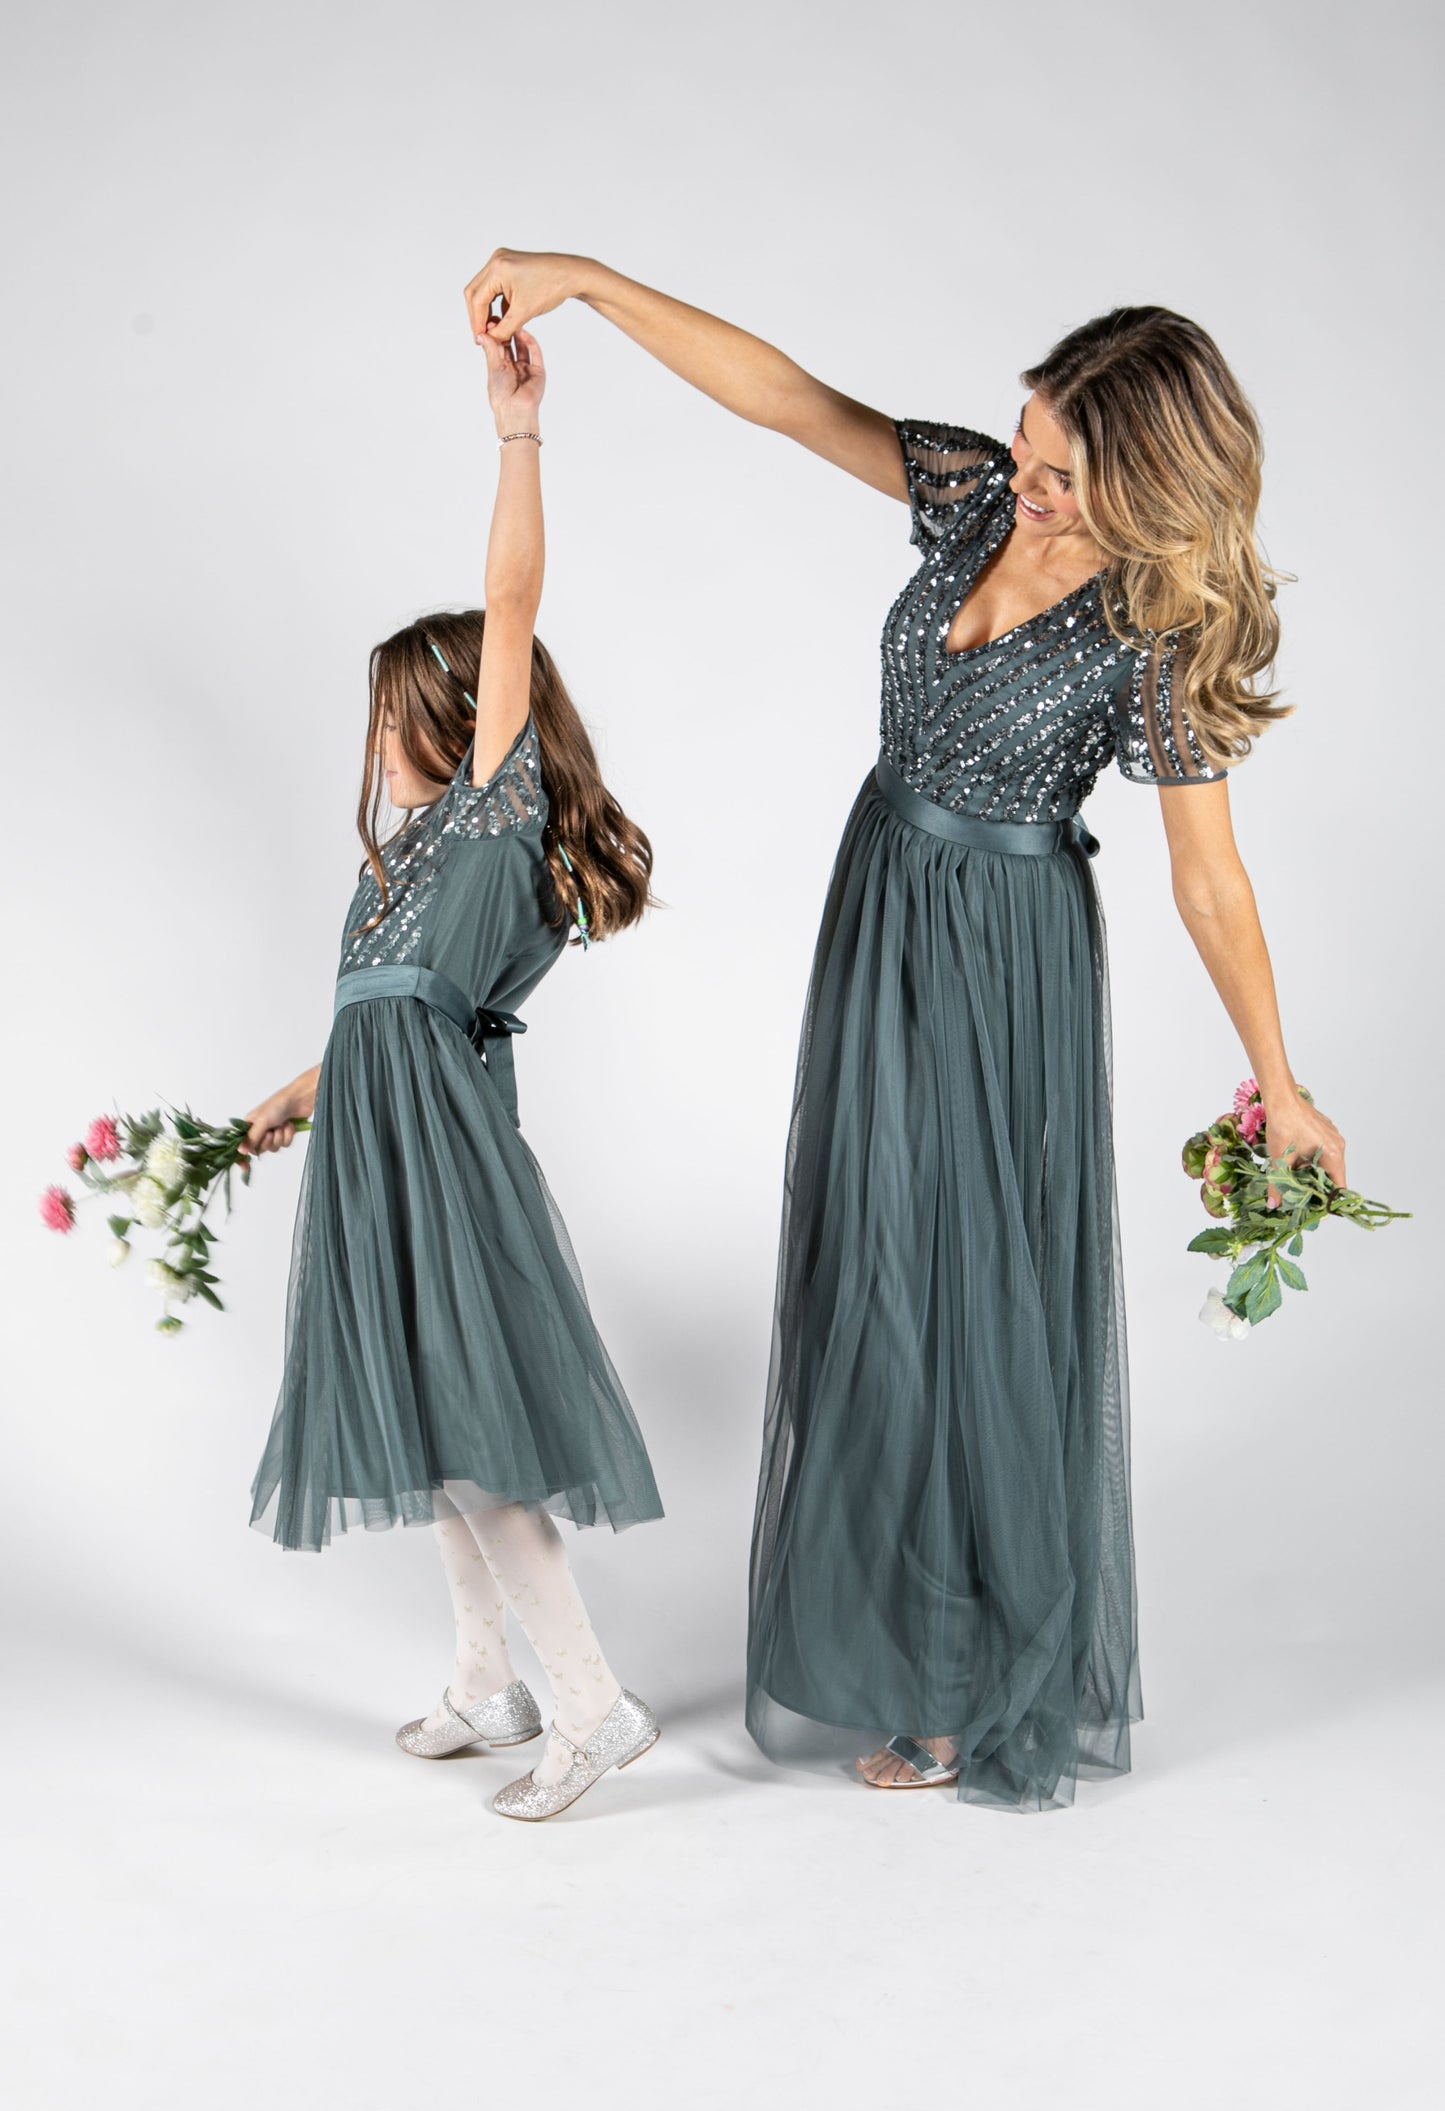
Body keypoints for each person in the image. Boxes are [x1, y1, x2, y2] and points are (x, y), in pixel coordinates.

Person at [462, 253, 1347, 1811]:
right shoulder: (970, 496)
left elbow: (1207, 879)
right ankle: (909, 1623)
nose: (1026, 485)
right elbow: (787, 401)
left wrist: (1280, 1085)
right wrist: (589, 288)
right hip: (879, 899)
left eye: (1060, 474)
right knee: (873, 1255)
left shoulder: (1153, 632)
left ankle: (962, 1675)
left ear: (1148, 484)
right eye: (1025, 443)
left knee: (964, 1285)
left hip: (1004, 957)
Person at [244, 326, 663, 1822]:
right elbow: (386, 1008)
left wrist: (516, 435)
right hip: (378, 1138)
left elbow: (511, 600)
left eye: (388, 709)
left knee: (473, 1428)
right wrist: (298, 1094)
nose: (372, 735)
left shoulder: (492, 810)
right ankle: (489, 1681)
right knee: (423, 1419)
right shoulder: (405, 860)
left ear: (452, 715)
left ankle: (595, 1706)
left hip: (437, 1150)